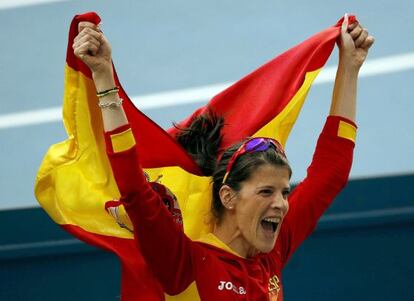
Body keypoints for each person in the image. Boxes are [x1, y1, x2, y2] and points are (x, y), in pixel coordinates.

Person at [73, 14, 374, 300]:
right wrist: (103, 77)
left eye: (284, 191)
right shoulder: (185, 264)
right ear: (228, 197)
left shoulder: (272, 253)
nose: (282, 204)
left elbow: (330, 173)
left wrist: (349, 67)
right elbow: (134, 188)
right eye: (266, 191)